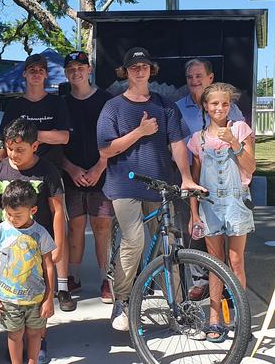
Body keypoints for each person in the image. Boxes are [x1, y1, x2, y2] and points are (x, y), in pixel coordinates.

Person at [97, 47, 204, 332]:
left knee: (171, 247)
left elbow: (178, 143)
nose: (140, 70)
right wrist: (140, 132)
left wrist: (185, 178)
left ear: (151, 70)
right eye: (134, 67)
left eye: (144, 66)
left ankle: (179, 309)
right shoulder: (113, 107)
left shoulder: (165, 104)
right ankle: (122, 300)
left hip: (160, 186)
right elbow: (105, 149)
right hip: (125, 185)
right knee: (135, 241)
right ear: (126, 72)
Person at [0, 119, 65, 363]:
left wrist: (59, 244)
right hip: (7, 246)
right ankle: (15, 341)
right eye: (9, 148)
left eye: (20, 149)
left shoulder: (48, 171)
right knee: (13, 294)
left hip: (37, 243)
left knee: (38, 294)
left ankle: (39, 340)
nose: (13, 154)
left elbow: (58, 210)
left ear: (35, 146)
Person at [2, 53, 73, 310]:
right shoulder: (14, 106)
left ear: (46, 75)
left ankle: (62, 287)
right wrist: (40, 138)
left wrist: (31, 134)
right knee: (19, 229)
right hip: (19, 173)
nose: (35, 74)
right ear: (24, 74)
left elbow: (64, 137)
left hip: (50, 172)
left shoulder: (56, 104)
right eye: (31, 70)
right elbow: (8, 139)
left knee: (56, 227)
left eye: (40, 70)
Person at [188, 82, 255, 342]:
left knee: (236, 261)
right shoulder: (199, 139)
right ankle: (214, 318)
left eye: (225, 104)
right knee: (214, 263)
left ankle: (241, 319)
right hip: (210, 205)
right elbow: (194, 181)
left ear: (230, 106)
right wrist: (194, 214)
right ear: (205, 106)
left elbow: (250, 167)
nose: (220, 108)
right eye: (214, 103)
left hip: (237, 202)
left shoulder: (240, 129)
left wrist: (234, 144)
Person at [175, 58, 246, 300]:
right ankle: (200, 280)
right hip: (191, 173)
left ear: (210, 78)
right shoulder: (178, 107)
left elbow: (241, 141)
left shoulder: (229, 107)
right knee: (194, 229)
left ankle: (230, 289)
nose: (194, 81)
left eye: (199, 76)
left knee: (232, 250)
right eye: (189, 77)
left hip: (225, 179)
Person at [60, 51, 114, 303]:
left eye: (80, 67)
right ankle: (74, 276)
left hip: (102, 174)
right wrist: (70, 168)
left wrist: (99, 167)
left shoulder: (107, 100)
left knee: (102, 226)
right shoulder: (61, 103)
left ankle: (106, 278)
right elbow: (55, 146)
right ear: (66, 73)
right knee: (76, 225)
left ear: (89, 70)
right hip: (71, 174)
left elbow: (116, 141)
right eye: (70, 68)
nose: (76, 72)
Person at [0, 179, 55, 364]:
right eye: (8, 214)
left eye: (17, 215)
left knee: (34, 334)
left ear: (33, 211)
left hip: (36, 299)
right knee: (14, 335)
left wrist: (49, 298)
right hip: (9, 299)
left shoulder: (41, 233)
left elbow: (49, 265)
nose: (12, 219)